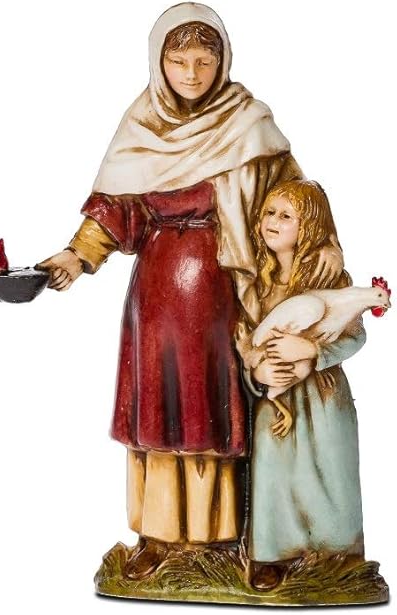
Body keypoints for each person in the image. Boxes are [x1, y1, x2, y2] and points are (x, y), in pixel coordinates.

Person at [36, 3, 343, 580]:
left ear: (223, 61)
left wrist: (325, 242)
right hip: (155, 296)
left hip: (222, 289)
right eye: (179, 62)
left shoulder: (247, 123)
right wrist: (77, 255)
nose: (192, 74)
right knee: (157, 410)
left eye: (204, 61)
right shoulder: (142, 127)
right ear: (160, 64)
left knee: (213, 408)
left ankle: (222, 536)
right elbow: (117, 208)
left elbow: (295, 196)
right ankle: (157, 536)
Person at [243, 180, 365, 591]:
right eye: (268, 213)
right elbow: (241, 339)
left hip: (322, 398)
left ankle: (337, 552)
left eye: (286, 216)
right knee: (273, 474)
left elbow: (355, 336)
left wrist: (313, 351)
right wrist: (257, 372)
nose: (272, 222)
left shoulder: (330, 276)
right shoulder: (255, 282)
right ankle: (272, 555)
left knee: (329, 470)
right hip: (274, 398)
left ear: (309, 226)